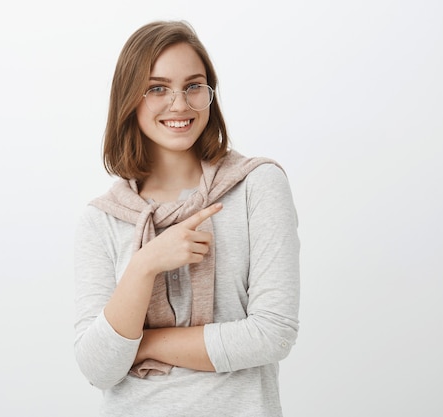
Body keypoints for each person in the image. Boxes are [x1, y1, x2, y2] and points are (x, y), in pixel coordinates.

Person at [73, 20, 300, 417]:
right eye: (158, 88)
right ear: (129, 98)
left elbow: (272, 334)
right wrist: (144, 265)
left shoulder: (256, 185)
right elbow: (98, 368)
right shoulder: (102, 220)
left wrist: (142, 344)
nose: (179, 104)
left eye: (193, 86)